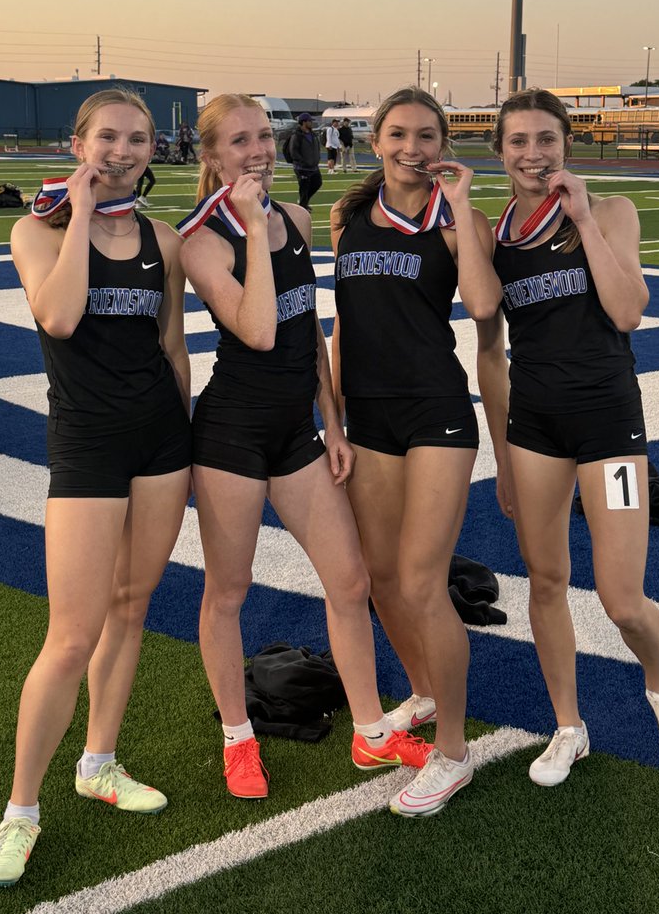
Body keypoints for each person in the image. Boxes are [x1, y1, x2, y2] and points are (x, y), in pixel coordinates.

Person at [179, 93, 431, 802]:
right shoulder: (201, 238)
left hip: (296, 433)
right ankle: (237, 738)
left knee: (350, 583)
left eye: (264, 135)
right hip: (230, 434)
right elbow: (257, 331)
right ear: (213, 157)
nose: (257, 150)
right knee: (228, 593)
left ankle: (371, 731)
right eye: (239, 141)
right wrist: (254, 231)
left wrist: (334, 422)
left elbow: (303, 329)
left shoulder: (293, 217)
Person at [0, 88, 192, 887]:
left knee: (132, 608)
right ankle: (20, 812)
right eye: (108, 137)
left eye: (137, 139)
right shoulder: (34, 231)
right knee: (70, 636)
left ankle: (99, 762)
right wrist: (79, 216)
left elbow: (171, 346)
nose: (124, 150)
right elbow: (60, 317)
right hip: (88, 447)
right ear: (79, 143)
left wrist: (190, 431)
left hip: (162, 445)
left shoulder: (163, 240)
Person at [489, 87, 659, 787]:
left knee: (621, 597)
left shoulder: (609, 211)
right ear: (499, 151)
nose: (532, 154)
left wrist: (579, 216)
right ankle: (569, 726)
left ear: (566, 144)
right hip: (535, 429)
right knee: (546, 580)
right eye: (518, 141)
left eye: (545, 139)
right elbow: (488, 340)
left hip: (608, 423)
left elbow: (629, 309)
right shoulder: (495, 237)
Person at [330, 85, 506, 818]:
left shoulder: (456, 221)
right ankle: (427, 691)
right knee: (380, 577)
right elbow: (343, 325)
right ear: (375, 142)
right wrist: (333, 421)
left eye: (427, 136)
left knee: (424, 581)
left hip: (436, 412)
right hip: (366, 419)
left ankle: (455, 753)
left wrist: (463, 212)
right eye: (398, 134)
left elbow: (486, 307)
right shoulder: (346, 218)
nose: (412, 148)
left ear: (444, 145)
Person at [289, 113, 322, 209]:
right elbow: (293, 151)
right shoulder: (297, 136)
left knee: (317, 183)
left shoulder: (313, 134)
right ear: (304, 122)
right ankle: (303, 207)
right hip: (302, 167)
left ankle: (304, 202)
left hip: (313, 166)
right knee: (304, 187)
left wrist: (316, 159)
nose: (311, 123)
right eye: (309, 121)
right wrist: (302, 162)